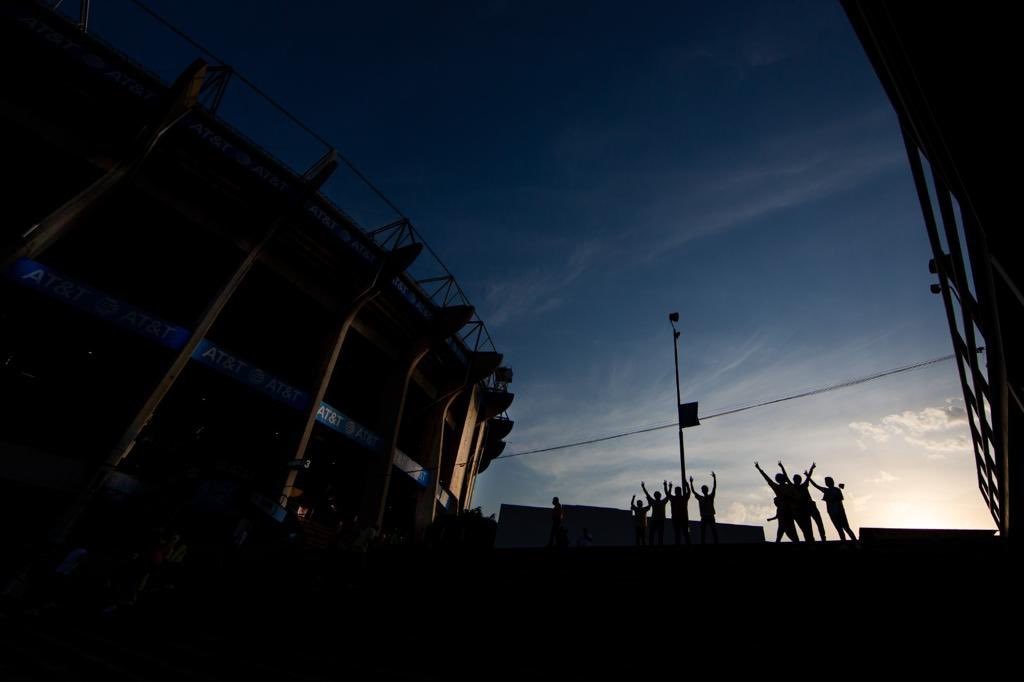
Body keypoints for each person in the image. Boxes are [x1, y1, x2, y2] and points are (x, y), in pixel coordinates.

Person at [754, 462, 800, 542]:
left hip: (786, 511)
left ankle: (782, 540)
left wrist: (759, 469)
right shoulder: (787, 487)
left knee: (784, 529)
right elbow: (768, 479)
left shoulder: (781, 487)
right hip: (787, 511)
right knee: (786, 529)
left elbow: (768, 479)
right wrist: (759, 469)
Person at [807, 473, 858, 543]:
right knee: (839, 529)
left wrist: (831, 499)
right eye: (827, 482)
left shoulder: (836, 490)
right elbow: (816, 486)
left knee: (846, 528)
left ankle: (855, 541)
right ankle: (845, 542)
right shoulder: (827, 490)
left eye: (829, 481)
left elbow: (840, 499)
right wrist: (808, 476)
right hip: (832, 513)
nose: (828, 483)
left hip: (840, 512)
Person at [779, 462, 816, 543]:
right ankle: (809, 541)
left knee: (808, 530)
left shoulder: (803, 486)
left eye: (797, 479)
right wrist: (782, 467)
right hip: (798, 513)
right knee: (805, 530)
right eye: (795, 479)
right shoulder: (792, 487)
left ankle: (811, 542)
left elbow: (808, 477)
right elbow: (786, 477)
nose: (796, 480)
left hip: (804, 512)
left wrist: (811, 469)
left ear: (799, 480)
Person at [690, 472, 718, 544]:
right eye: (703, 489)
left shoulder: (709, 497)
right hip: (705, 516)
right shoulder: (702, 498)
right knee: (704, 531)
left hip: (710, 516)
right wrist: (691, 483)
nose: (704, 490)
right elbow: (693, 491)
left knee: (712, 530)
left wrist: (714, 478)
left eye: (704, 489)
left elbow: (714, 488)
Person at [642, 481, 668, 546]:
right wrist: (666, 486)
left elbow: (647, 494)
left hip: (657, 520)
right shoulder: (662, 502)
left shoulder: (658, 501)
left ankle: (657, 544)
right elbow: (668, 495)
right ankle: (656, 544)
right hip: (657, 520)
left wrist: (666, 486)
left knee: (657, 533)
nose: (657, 496)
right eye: (656, 495)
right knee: (656, 533)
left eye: (657, 495)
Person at [666, 480, 691, 545]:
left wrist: (669, 487)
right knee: (680, 533)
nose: (677, 492)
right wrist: (687, 485)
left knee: (683, 533)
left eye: (677, 491)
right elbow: (667, 494)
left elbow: (667, 494)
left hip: (682, 518)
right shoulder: (678, 498)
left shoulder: (681, 498)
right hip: (678, 518)